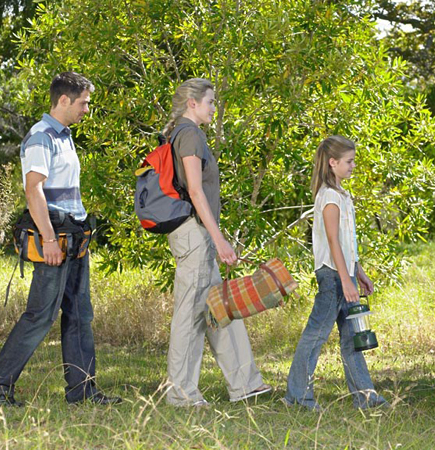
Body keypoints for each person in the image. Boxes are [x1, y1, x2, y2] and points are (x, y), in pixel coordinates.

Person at [0, 72, 122, 407]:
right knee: (40, 315)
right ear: (63, 100)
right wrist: (47, 239)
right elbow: (34, 190)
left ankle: (82, 390)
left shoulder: (64, 136)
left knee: (79, 314)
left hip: (74, 238)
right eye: (83, 102)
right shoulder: (41, 136)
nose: (87, 109)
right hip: (54, 239)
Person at [162, 78, 271, 407]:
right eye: (210, 102)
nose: (214, 107)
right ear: (192, 103)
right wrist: (219, 239)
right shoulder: (190, 134)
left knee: (219, 308)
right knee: (191, 315)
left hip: (196, 233)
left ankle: (245, 383)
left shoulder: (182, 133)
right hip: (195, 234)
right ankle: (180, 394)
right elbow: (195, 191)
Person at [284, 135, 388, 411]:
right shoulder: (329, 196)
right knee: (316, 334)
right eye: (349, 161)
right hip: (332, 276)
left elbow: (346, 241)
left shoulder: (342, 194)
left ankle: (365, 397)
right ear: (332, 163)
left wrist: (358, 272)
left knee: (352, 338)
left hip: (345, 273)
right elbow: (332, 240)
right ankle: (297, 397)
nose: (353, 166)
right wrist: (345, 279)